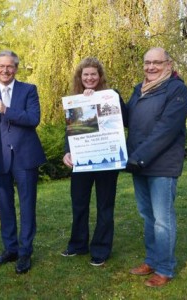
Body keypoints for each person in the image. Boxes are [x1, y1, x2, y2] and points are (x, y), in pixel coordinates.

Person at [125, 47, 187, 287]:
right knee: (147, 216)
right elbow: (127, 118)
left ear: (168, 64)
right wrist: (105, 98)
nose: (151, 67)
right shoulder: (139, 89)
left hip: (161, 164)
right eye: (147, 63)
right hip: (139, 163)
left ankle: (165, 268)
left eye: (156, 63)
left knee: (162, 219)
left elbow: (166, 130)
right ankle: (152, 260)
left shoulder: (176, 89)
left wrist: (138, 157)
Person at [0, 50, 46, 274]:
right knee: (4, 207)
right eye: (1, 66)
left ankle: (25, 252)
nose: (5, 70)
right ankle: (10, 249)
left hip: (25, 158)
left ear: (16, 68)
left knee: (27, 206)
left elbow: (33, 119)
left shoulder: (29, 90)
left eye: (9, 66)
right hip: (0, 159)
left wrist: (6, 110)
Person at [61, 57, 127, 267]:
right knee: (78, 203)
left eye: (93, 74)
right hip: (82, 160)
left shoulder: (112, 95)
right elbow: (71, 132)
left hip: (106, 160)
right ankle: (78, 244)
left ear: (100, 77)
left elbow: (124, 119)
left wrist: (103, 98)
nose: (89, 78)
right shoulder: (75, 101)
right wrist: (66, 152)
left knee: (105, 205)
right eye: (85, 74)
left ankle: (101, 249)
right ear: (80, 77)